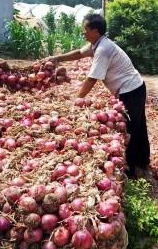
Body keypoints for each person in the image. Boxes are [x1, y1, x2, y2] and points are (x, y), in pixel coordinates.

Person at [48, 14, 150, 178]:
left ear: (95, 31)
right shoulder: (97, 44)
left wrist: (77, 100)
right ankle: (142, 162)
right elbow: (78, 53)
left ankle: (132, 169)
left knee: (131, 128)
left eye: (85, 29)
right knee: (137, 125)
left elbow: (92, 79)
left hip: (132, 90)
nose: (83, 32)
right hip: (132, 88)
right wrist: (56, 58)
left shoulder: (103, 49)